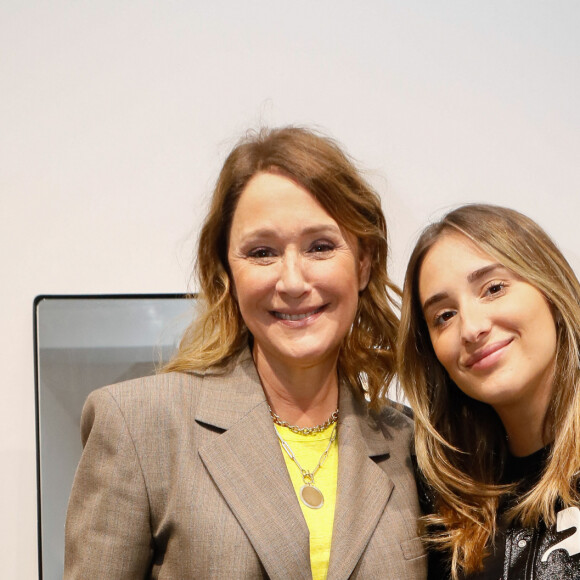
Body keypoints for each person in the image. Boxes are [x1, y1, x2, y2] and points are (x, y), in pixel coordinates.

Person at [64, 126, 426, 579]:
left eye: (320, 246)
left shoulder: (409, 444)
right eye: (261, 252)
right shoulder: (139, 426)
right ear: (226, 274)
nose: (293, 281)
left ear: (364, 262)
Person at [397, 203, 580, 579]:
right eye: (444, 316)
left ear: (550, 287)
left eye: (493, 288)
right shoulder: (447, 513)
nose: (471, 328)